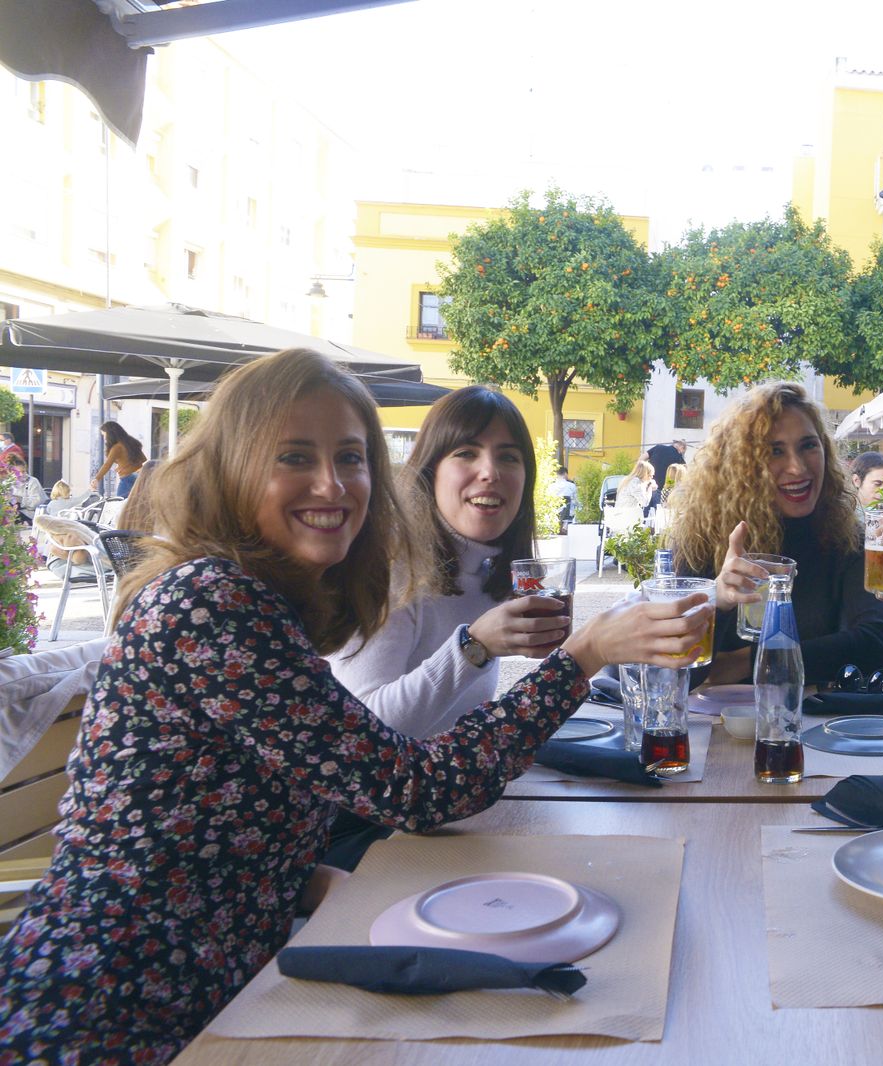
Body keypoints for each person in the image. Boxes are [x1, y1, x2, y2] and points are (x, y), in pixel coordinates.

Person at [0, 348, 711, 1064]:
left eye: (351, 457)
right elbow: (412, 787)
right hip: (113, 1014)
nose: (332, 484)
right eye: (295, 457)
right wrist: (581, 657)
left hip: (231, 983)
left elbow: (211, 827)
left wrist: (325, 885)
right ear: (231, 468)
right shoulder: (213, 604)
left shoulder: (265, 599)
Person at [330, 385, 577, 737]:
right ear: (430, 471)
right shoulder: (388, 569)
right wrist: (474, 648)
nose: (490, 472)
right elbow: (363, 731)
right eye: (466, 452)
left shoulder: (487, 573)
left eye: (508, 457)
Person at [671, 382, 883, 685]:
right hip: (716, 727)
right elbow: (680, 669)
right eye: (774, 451)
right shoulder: (702, 536)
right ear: (741, 466)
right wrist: (717, 600)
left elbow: (879, 644)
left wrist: (746, 662)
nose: (797, 467)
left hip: (817, 726)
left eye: (808, 445)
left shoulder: (845, 536)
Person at [93, 419, 148, 498]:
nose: (104, 438)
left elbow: (107, 465)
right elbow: (143, 459)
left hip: (127, 478)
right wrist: (122, 464)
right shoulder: (131, 442)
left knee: (119, 504)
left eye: (104, 435)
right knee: (133, 504)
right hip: (138, 477)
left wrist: (97, 479)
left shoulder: (117, 447)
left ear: (110, 434)